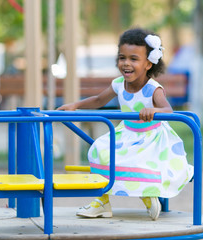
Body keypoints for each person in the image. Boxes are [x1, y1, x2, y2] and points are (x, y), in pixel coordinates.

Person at [57, 28, 194, 221]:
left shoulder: (152, 89)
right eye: (122, 58)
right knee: (98, 151)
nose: (126, 63)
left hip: (150, 136)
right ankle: (102, 201)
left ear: (148, 63)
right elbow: (98, 100)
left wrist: (153, 110)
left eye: (133, 59)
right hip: (127, 133)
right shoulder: (119, 84)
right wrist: (75, 105)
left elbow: (168, 111)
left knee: (139, 163)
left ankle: (148, 195)